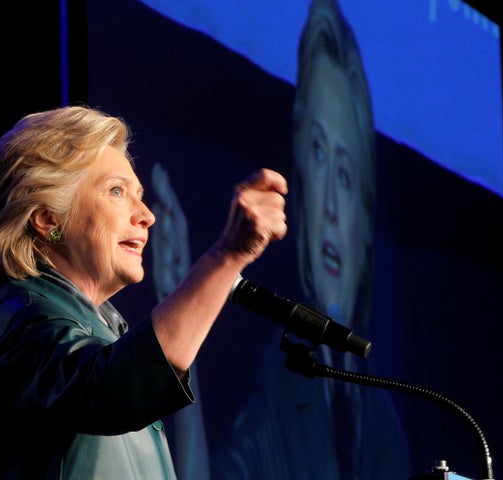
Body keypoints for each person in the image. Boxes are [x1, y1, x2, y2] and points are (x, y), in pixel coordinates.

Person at [0, 104, 288, 480]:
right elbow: (113, 388)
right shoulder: (22, 326)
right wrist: (226, 257)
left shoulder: (96, 329)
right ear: (48, 220)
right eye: (116, 191)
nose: (146, 214)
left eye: (140, 194)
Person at [208, 0, 412, 478]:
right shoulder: (273, 377)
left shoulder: (385, 411)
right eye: (316, 154)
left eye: (345, 174)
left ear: (366, 217)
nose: (328, 208)